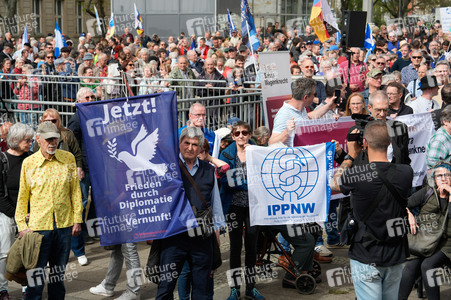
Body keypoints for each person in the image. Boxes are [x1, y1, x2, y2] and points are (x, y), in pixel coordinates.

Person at [331, 120, 413, 300]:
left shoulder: (357, 175)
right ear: (390, 142)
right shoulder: (406, 172)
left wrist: (351, 155)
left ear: (365, 143)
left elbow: (334, 183)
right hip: (395, 255)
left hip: (365, 254)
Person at [15, 121, 83, 299]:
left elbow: (75, 191)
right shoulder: (29, 163)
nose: (52, 142)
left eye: (55, 139)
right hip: (39, 228)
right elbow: (23, 196)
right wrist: (22, 225)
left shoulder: (68, 158)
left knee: (57, 275)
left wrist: (77, 219)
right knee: (36, 277)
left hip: (64, 224)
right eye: (48, 139)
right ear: (38, 139)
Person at [156, 127, 225, 300]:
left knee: (201, 290)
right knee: (165, 287)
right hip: (173, 237)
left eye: (195, 144)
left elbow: (215, 204)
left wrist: (216, 234)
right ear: (180, 144)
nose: (190, 148)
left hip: (202, 238)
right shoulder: (167, 168)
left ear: (201, 147)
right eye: (186, 143)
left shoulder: (209, 170)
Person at [219, 121, 264, 300]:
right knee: (235, 248)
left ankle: (251, 288)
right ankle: (235, 289)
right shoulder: (226, 154)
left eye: (244, 133)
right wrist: (247, 184)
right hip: (234, 206)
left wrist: (241, 184)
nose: (241, 136)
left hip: (254, 207)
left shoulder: (258, 152)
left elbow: (263, 178)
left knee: (252, 248)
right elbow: (226, 181)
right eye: (237, 133)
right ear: (232, 135)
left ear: (250, 134)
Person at [398, 161, 451, 300]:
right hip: (427, 239)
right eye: (439, 176)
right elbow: (402, 203)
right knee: (411, 266)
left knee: (427, 265)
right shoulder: (428, 191)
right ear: (434, 179)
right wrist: (409, 214)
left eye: (447, 175)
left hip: (447, 243)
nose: (444, 178)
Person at [0, 123, 34, 299]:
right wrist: (16, 214)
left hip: (30, 215)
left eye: (31, 139)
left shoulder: (32, 158)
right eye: (27, 140)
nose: (30, 142)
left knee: (29, 254)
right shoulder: (2, 160)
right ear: (15, 140)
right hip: (7, 213)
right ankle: (2, 289)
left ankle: (27, 288)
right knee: (4, 253)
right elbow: (0, 195)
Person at [269, 78, 336, 147]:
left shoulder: (301, 108)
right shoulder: (284, 114)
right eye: (314, 94)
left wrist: (328, 106)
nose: (315, 97)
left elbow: (310, 117)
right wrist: (287, 132)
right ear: (306, 97)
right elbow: (272, 143)